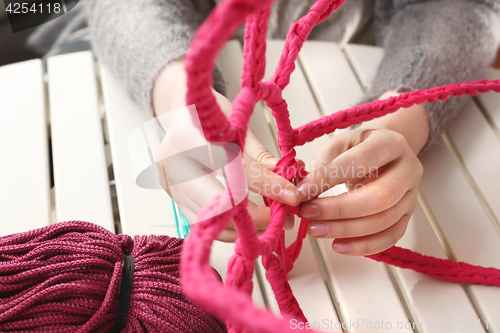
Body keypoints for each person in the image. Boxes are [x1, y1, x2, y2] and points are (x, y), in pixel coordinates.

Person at [30, 0, 500, 255]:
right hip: (124, 71)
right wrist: (181, 98)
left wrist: (400, 113)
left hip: (366, 60)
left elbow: (464, 8)